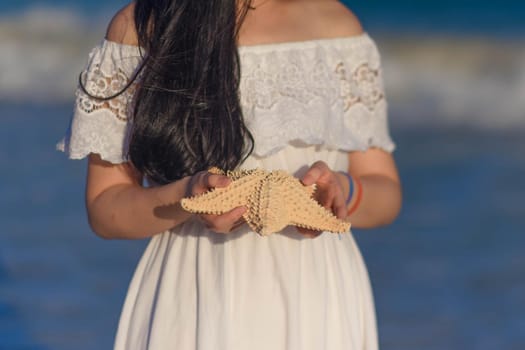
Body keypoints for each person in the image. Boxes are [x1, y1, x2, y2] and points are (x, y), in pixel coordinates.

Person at [59, 0, 402, 349]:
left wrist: (341, 192)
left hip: (319, 297)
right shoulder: (142, 25)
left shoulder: (337, 24)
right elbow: (105, 209)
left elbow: (386, 193)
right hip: (194, 297)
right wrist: (185, 198)